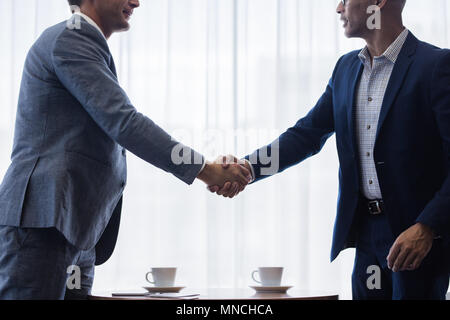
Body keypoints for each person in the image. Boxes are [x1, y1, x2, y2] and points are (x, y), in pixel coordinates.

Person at [0, 0, 251, 300]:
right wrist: (206, 170)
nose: (136, 1)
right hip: (42, 224)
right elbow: (125, 123)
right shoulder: (71, 37)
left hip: (73, 232)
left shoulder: (84, 43)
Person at [210, 0, 450, 300]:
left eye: (345, 0)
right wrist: (247, 168)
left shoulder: (436, 66)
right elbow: (306, 135)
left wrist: (428, 226)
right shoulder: (346, 69)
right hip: (366, 235)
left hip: (415, 240)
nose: (339, 9)